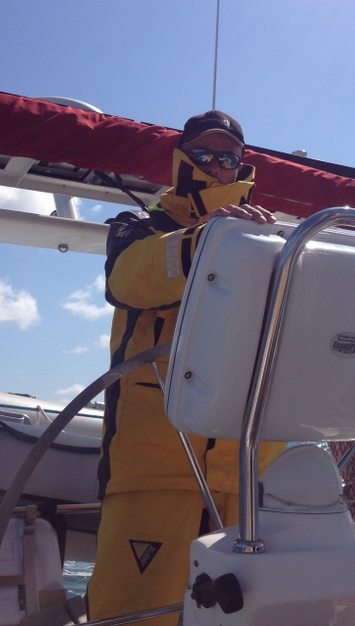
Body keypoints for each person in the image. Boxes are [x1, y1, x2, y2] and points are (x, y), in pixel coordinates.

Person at [87, 110, 284, 625]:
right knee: (135, 613)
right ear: (182, 160)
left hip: (247, 478)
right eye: (204, 155)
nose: (217, 166)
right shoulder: (140, 229)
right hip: (153, 467)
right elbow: (127, 280)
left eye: (228, 158)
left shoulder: (273, 243)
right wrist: (209, 242)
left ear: (242, 167)